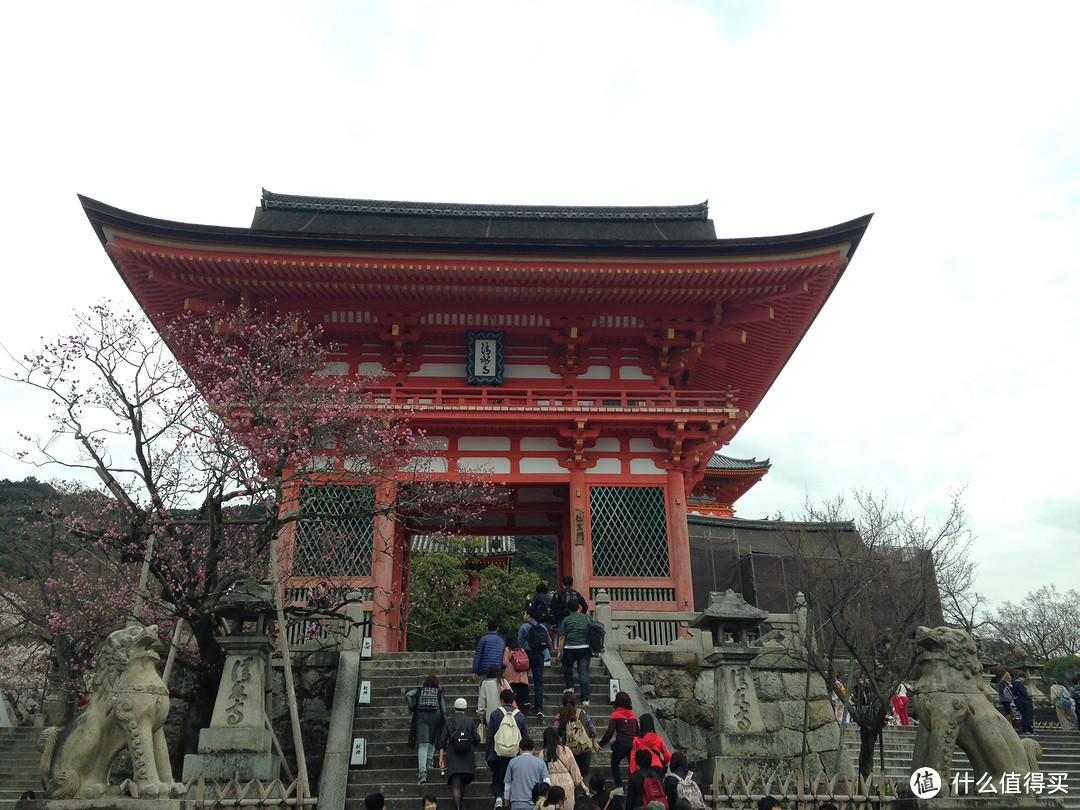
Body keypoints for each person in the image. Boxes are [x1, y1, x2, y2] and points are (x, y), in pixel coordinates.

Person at [488, 688, 530, 805]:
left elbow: (490, 736)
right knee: (513, 779)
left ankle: (498, 798)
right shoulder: (520, 715)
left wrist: (488, 755)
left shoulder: (495, 714)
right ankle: (511, 801)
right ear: (513, 700)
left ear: (501, 700)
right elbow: (526, 736)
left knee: (497, 779)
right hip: (515, 753)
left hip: (498, 752)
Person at [438, 697, 481, 810]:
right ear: (466, 709)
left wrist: (441, 757)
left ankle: (457, 806)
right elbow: (477, 739)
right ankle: (461, 802)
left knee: (456, 782)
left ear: (454, 708)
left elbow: (442, 741)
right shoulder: (470, 721)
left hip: (453, 756)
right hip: (467, 755)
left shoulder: (449, 721)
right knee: (464, 781)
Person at [598, 691, 639, 793]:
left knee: (615, 763)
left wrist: (601, 744)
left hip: (620, 744)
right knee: (632, 766)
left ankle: (619, 786)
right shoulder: (633, 716)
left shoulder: (616, 714)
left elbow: (610, 732)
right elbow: (637, 732)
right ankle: (632, 787)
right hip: (632, 744)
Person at [553, 691, 600, 777]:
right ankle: (586, 790)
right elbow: (591, 728)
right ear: (575, 701)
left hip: (568, 750)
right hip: (584, 748)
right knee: (584, 774)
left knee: (571, 775)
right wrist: (595, 743)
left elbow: (555, 733)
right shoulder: (582, 712)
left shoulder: (559, 716)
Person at [410, 674, 447, 784]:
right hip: (436, 716)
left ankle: (422, 772)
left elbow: (408, 694)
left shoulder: (420, 691)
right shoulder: (438, 693)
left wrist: (412, 706)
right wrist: (445, 721)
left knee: (423, 744)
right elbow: (444, 710)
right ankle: (429, 761)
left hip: (421, 717)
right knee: (433, 739)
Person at [556, 598, 592, 705]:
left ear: (568, 609)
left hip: (571, 648)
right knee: (584, 673)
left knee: (567, 666)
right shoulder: (587, 618)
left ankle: (570, 687)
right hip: (585, 648)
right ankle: (585, 699)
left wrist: (559, 651)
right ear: (578, 607)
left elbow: (562, 637)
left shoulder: (567, 620)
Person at [541, 726, 584, 810]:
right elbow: (573, 767)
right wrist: (579, 782)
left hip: (552, 782)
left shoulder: (543, 753)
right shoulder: (566, 750)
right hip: (567, 781)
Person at [519, 604, 549, 717]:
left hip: (526, 655)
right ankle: (539, 707)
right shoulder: (543, 627)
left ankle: (526, 700)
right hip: (539, 656)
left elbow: (520, 644)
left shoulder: (523, 627)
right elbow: (548, 643)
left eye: (525, 613)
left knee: (524, 679)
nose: (524, 615)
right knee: (538, 682)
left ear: (528, 615)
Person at [505, 737, 551, 810]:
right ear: (533, 750)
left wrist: (506, 804)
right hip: (534, 804)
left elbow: (508, 786)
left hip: (517, 804)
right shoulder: (540, 763)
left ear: (520, 749)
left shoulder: (512, 762)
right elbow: (547, 782)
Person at [479, 663, 513, 737]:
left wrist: (481, 713)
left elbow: (482, 700)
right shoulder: (504, 682)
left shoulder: (485, 683)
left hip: (491, 714)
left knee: (492, 735)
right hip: (505, 713)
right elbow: (511, 695)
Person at [505, 636, 532, 710]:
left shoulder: (508, 649)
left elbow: (505, 662)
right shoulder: (521, 649)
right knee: (521, 699)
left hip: (511, 677)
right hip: (522, 677)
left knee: (511, 698)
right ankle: (522, 713)